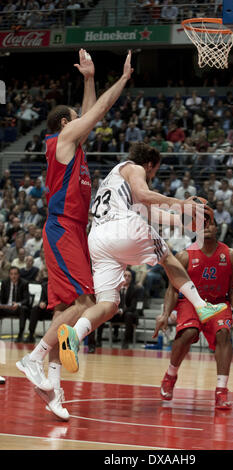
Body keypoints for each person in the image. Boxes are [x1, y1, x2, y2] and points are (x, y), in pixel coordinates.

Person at [16, 49, 135, 421]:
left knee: (65, 312)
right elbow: (96, 113)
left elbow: (86, 114)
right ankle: (33, 358)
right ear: (66, 122)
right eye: (76, 120)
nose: (82, 123)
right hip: (62, 227)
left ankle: (53, 388)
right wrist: (122, 80)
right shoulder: (63, 140)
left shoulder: (72, 146)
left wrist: (87, 78)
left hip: (71, 230)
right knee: (85, 304)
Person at [57, 146, 229, 375]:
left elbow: (149, 210)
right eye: (154, 171)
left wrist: (182, 223)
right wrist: (180, 204)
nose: (153, 176)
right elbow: (146, 195)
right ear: (150, 165)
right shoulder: (134, 168)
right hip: (120, 228)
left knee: (108, 305)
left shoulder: (115, 179)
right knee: (167, 257)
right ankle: (201, 306)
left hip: (98, 239)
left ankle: (74, 335)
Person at [154, 216, 233, 408]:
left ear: (218, 228)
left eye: (211, 224)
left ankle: (221, 391)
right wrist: (165, 314)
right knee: (189, 333)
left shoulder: (230, 254)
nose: (207, 227)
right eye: (202, 225)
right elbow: (173, 288)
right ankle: (170, 375)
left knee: (224, 334)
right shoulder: (184, 256)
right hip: (191, 303)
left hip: (218, 303)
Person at [109, 269, 144, 349]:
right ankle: (97, 341)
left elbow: (133, 306)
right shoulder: (115, 289)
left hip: (128, 314)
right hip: (116, 314)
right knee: (102, 313)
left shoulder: (135, 289)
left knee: (128, 315)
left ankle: (126, 341)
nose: (127, 278)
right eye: (125, 276)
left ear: (131, 279)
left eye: (129, 276)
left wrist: (121, 311)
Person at [0, 267, 30, 343]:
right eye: (11, 274)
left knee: (23, 309)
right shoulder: (4, 282)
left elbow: (26, 299)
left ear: (19, 275)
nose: (13, 276)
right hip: (6, 307)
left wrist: (18, 304)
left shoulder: (24, 283)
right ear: (9, 275)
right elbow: (1, 297)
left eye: (15, 274)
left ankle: (20, 335)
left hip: (17, 308)